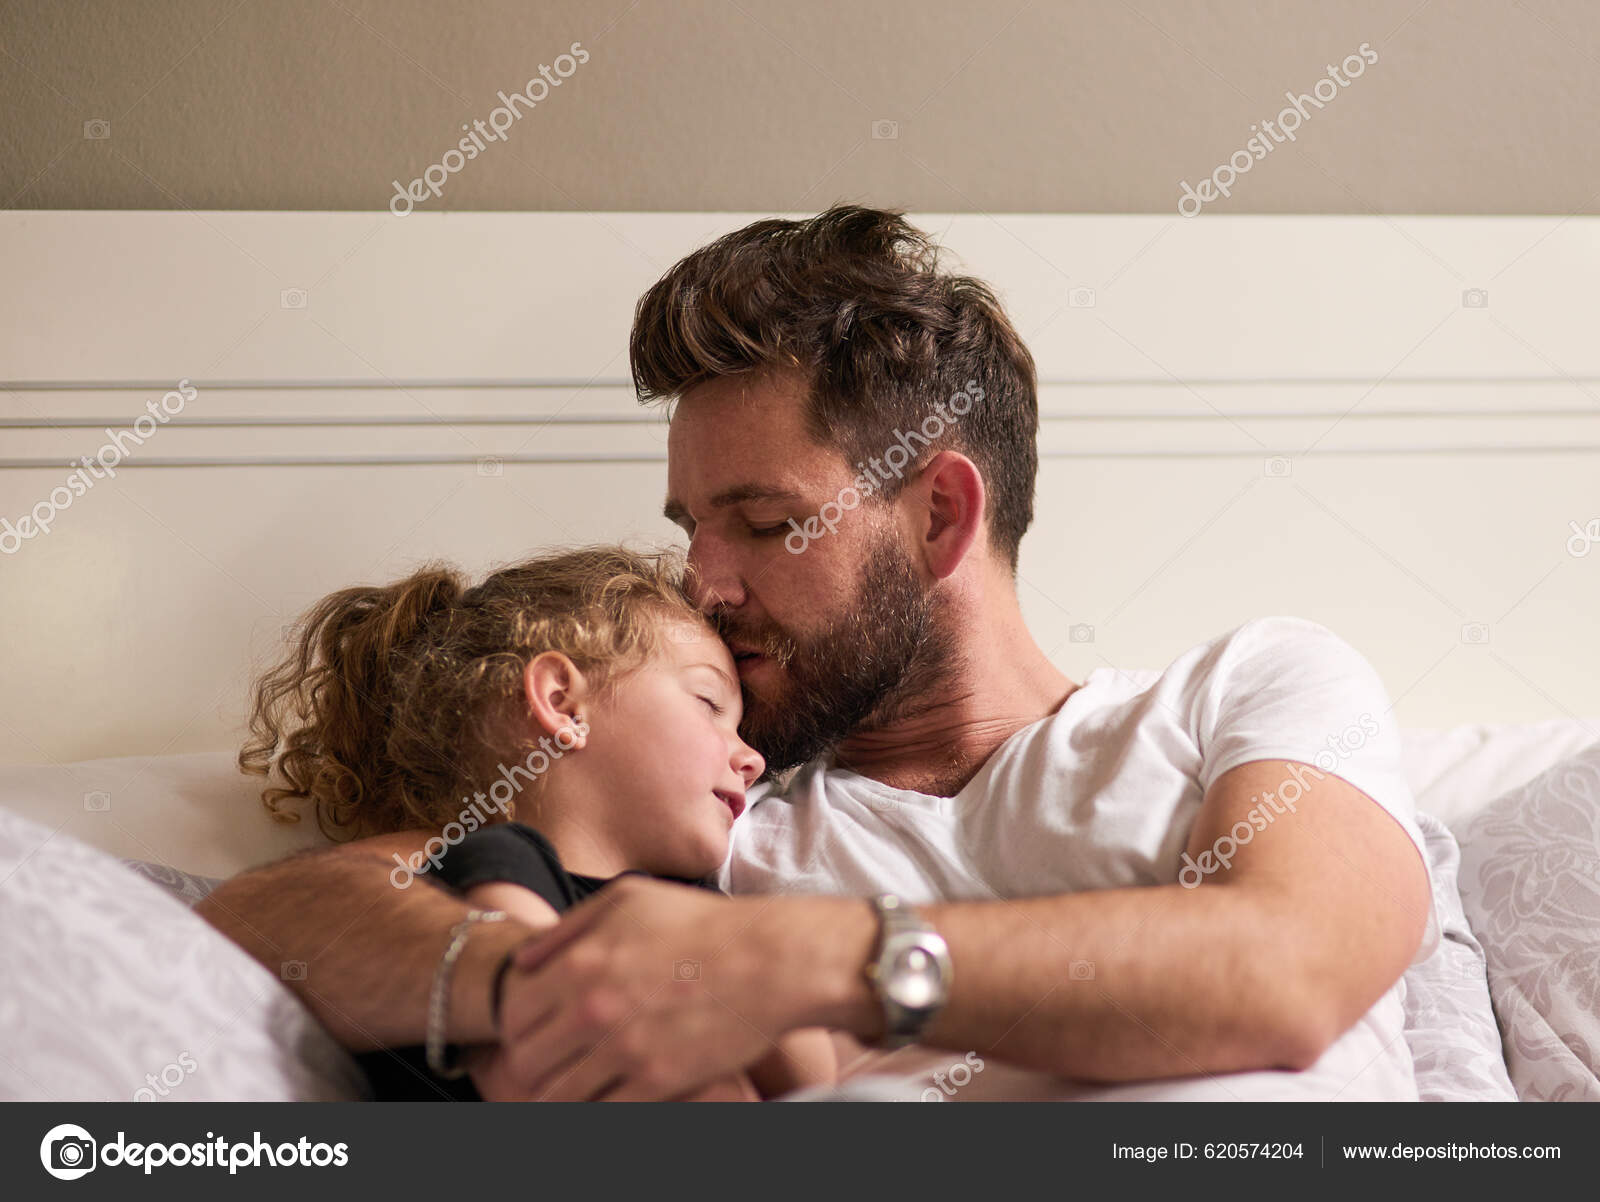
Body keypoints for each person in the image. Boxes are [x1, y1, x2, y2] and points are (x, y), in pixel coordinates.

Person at [200, 205, 1437, 1102]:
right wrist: (535, 983)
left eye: (767, 521)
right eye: (693, 528)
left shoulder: (1245, 690)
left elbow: (1290, 967)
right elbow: (271, 912)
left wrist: (811, 956)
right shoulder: (703, 813)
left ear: (941, 517)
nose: (703, 581)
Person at [232, 545, 834, 1100]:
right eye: (709, 705)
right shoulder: (494, 864)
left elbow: (810, 1081)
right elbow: (555, 1043)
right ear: (563, 704)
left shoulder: (696, 904)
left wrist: (762, 978)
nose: (751, 758)